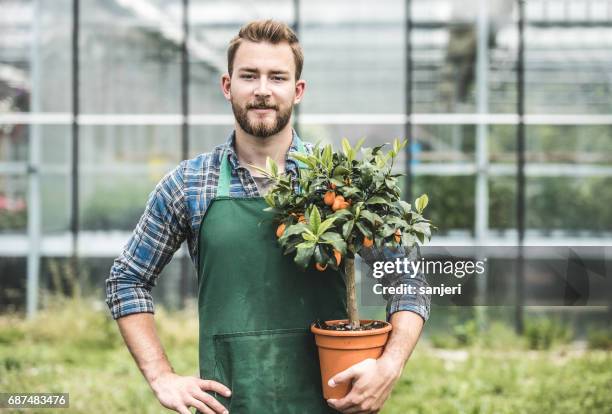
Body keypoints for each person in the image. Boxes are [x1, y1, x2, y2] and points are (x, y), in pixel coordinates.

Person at [105, 19, 430, 414]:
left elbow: (407, 276)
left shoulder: (341, 183)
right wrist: (161, 376)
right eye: (249, 76)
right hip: (230, 402)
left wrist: (389, 366)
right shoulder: (188, 185)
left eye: (277, 77)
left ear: (297, 91)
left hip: (334, 401)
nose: (262, 90)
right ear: (228, 86)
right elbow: (127, 278)